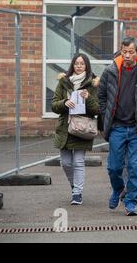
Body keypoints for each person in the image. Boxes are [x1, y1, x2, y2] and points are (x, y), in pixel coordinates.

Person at [98, 36, 137, 216]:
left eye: (130, 52)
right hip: (116, 126)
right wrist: (105, 115)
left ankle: (131, 200)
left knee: (134, 167)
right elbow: (101, 96)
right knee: (114, 167)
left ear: (136, 52)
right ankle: (118, 189)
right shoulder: (110, 71)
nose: (127, 55)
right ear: (121, 51)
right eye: (124, 52)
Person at [51, 54, 99, 205]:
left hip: (82, 128)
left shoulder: (93, 84)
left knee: (78, 161)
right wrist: (65, 103)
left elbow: (97, 109)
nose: (79, 66)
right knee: (65, 162)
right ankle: (74, 186)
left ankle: (77, 193)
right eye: (76, 63)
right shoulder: (63, 82)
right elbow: (54, 105)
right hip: (65, 128)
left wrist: (88, 98)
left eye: (82, 64)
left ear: (86, 66)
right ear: (72, 65)